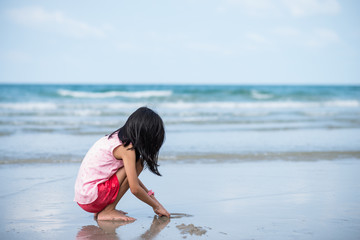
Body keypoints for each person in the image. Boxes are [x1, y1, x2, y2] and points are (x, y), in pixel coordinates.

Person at [74, 107, 170, 221]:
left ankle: (104, 210)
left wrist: (155, 202)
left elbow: (130, 178)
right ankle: (107, 211)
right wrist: (156, 206)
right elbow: (134, 188)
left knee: (134, 167)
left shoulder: (115, 138)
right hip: (93, 198)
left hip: (85, 198)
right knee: (138, 164)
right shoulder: (127, 148)